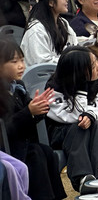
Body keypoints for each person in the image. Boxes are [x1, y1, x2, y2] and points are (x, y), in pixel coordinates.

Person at [0, 37, 67, 200]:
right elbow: (5, 126)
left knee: (47, 152)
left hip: (22, 143)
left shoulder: (18, 86)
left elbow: (29, 115)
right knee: (36, 154)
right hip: (6, 148)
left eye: (22, 60)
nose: (21, 66)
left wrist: (39, 108)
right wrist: (29, 112)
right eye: (14, 61)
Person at [45, 46, 98, 194]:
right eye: (93, 66)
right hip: (61, 132)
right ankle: (82, 178)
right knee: (79, 127)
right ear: (78, 72)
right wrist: (81, 89)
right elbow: (66, 116)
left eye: (96, 62)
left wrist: (89, 115)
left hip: (91, 127)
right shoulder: (55, 87)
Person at [21, 0, 78, 66]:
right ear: (51, 2)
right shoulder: (36, 30)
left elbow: (75, 47)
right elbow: (43, 65)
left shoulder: (63, 23)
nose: (67, 0)